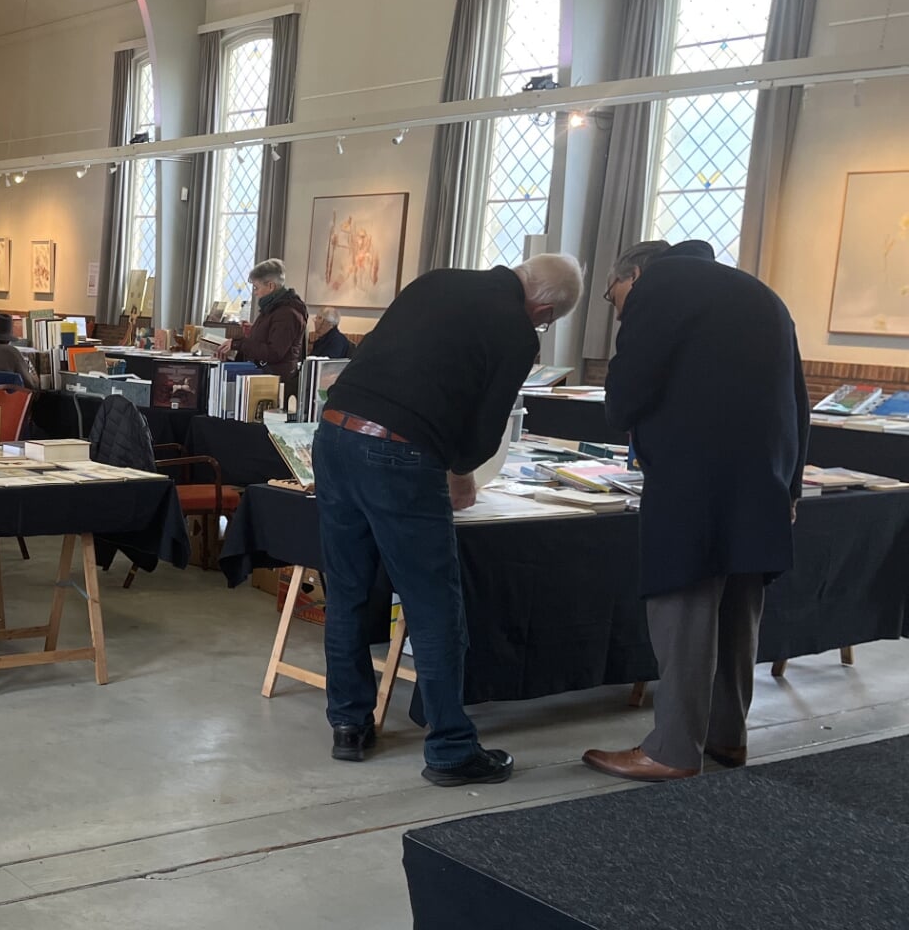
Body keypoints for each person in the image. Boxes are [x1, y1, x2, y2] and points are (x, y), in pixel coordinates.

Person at [313, 253, 583, 786]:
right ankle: (451, 748)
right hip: (400, 454)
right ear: (544, 306)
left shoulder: (437, 279)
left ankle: (348, 724)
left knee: (346, 589)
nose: (541, 327)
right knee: (434, 605)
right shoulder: (517, 331)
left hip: (334, 432)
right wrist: (461, 473)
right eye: (546, 321)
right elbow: (485, 428)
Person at [582, 240, 808, 782]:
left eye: (615, 299)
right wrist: (791, 486)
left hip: (694, 481)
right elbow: (798, 400)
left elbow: (622, 402)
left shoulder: (658, 288)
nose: (619, 310)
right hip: (765, 479)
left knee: (682, 610)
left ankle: (673, 750)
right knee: (737, 614)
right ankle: (728, 740)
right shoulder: (762, 293)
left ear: (633, 274)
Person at [216, 259, 307, 379]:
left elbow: (274, 353)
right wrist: (254, 331)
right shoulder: (273, 306)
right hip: (264, 373)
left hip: (274, 378)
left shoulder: (287, 313)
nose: (254, 292)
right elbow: (270, 337)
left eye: (256, 287)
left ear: (270, 286)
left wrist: (238, 344)